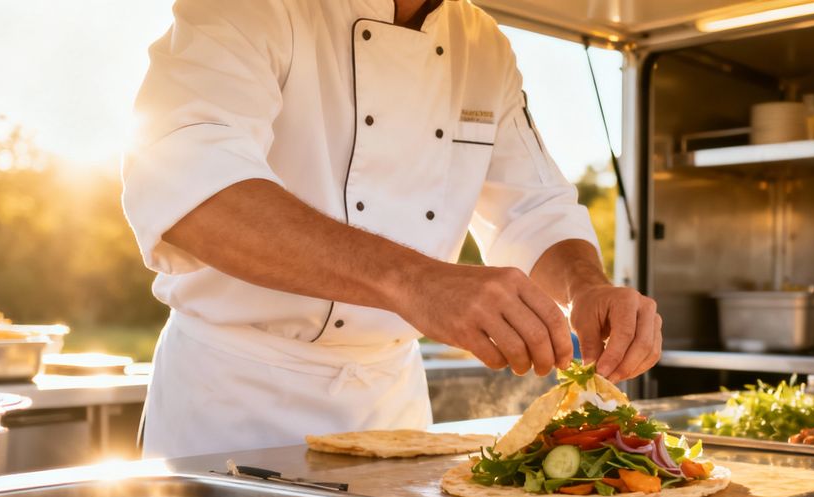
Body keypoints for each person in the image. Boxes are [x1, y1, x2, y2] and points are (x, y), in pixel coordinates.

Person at [122, 0, 661, 458]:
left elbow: (534, 205)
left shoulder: (481, 43)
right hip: (231, 406)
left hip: (389, 407)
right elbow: (192, 189)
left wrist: (587, 285)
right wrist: (415, 282)